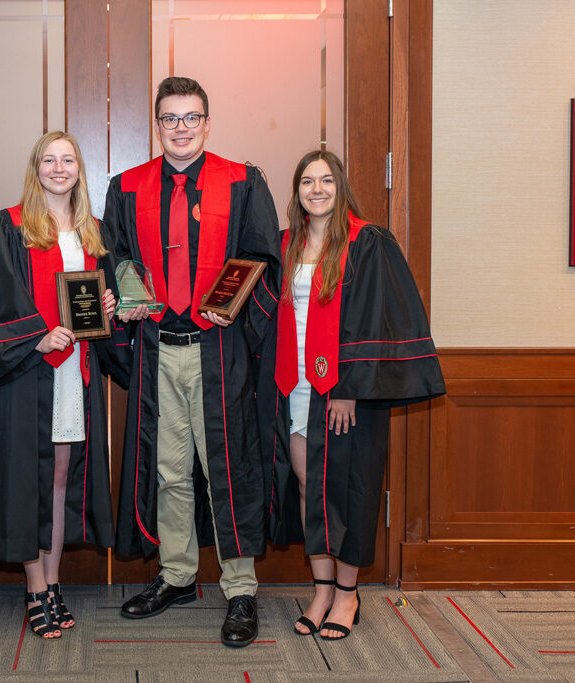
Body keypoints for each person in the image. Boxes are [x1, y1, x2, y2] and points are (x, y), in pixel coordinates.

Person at [102, 76, 280, 647]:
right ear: (157, 125)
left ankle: (240, 587)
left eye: (191, 117)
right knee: (170, 469)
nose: (180, 128)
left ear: (207, 121)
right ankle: (177, 574)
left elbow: (262, 258)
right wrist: (129, 300)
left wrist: (237, 306)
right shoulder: (126, 186)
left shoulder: (244, 182)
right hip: (158, 346)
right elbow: (117, 257)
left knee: (227, 467)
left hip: (218, 348)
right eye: (170, 118)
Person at [264, 150, 445, 640]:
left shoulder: (368, 243)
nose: (316, 189)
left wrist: (348, 388)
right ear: (296, 191)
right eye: (307, 182)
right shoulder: (284, 245)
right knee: (308, 487)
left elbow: (374, 319)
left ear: (340, 186)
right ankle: (321, 590)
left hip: (344, 390)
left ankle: (347, 595)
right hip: (295, 385)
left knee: (349, 490)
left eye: (326, 180)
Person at [0, 131, 122, 639]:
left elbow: (98, 298)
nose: (59, 168)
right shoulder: (8, 227)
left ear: (79, 168)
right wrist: (36, 336)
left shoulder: (93, 232)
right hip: (28, 371)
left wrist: (107, 308)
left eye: (68, 159)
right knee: (29, 479)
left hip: (75, 368)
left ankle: (53, 581)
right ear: (36, 168)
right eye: (49, 160)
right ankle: (35, 588)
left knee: (60, 475)